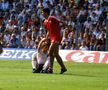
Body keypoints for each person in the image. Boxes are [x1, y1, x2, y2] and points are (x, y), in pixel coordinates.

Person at [41, 8, 67, 74]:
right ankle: (60, 68)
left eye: (42, 12)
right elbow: (48, 31)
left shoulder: (52, 18)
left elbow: (61, 21)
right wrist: (46, 39)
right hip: (51, 38)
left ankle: (48, 68)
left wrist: (67, 27)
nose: (42, 14)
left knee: (49, 52)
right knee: (55, 54)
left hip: (57, 37)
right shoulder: (45, 22)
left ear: (46, 13)